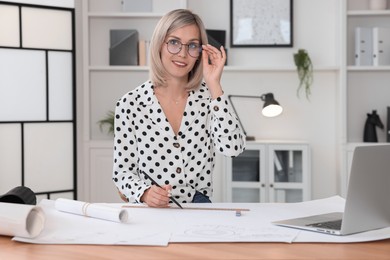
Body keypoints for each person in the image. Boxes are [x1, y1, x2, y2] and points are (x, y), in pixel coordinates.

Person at [112, 9, 245, 208]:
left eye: (192, 45)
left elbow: (233, 148)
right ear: (159, 45)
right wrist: (145, 193)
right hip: (151, 209)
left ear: (200, 53)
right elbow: (122, 173)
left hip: (198, 206)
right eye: (174, 42)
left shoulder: (210, 99)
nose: (182, 54)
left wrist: (214, 84)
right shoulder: (130, 104)